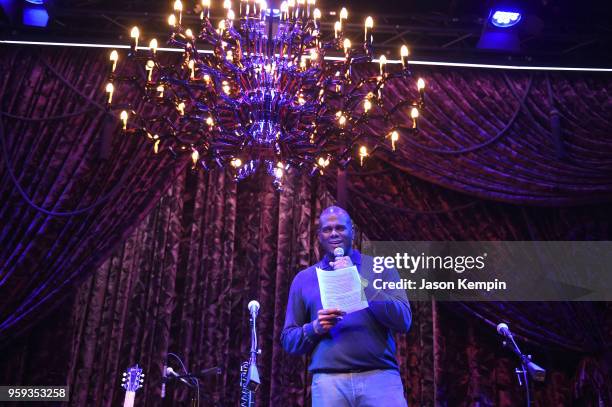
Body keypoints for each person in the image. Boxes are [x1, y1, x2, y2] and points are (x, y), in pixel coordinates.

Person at [281, 206, 412, 407]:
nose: (334, 233)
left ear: (353, 231)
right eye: (327, 229)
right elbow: (289, 340)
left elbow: (404, 320)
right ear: (319, 236)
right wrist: (315, 327)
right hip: (329, 384)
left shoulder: (381, 268)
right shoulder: (304, 279)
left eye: (340, 228)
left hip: (380, 379)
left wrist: (359, 282)